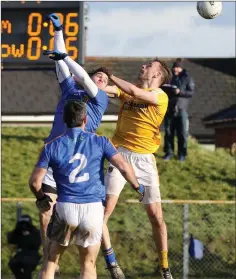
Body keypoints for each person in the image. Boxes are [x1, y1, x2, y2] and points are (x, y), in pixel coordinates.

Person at [29, 100, 145, 279]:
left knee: (51, 261)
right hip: (92, 209)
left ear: (65, 120)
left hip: (66, 207)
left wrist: (40, 198)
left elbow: (35, 182)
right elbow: (123, 166)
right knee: (88, 264)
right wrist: (138, 186)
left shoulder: (51, 146)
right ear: (85, 120)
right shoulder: (100, 141)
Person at [39, 13, 110, 272]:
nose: (101, 79)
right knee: (45, 211)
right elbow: (62, 66)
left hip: (75, 159)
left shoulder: (99, 99)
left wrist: (66, 58)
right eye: (99, 75)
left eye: (104, 79)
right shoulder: (71, 90)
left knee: (80, 242)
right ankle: (51, 262)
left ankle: (54, 261)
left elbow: (80, 73)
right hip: (54, 154)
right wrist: (58, 31)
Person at [103, 59, 173, 279]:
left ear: (158, 74)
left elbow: (132, 89)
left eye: (149, 65)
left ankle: (164, 267)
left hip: (144, 160)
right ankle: (111, 262)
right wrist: (69, 69)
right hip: (120, 155)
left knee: (156, 217)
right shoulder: (127, 93)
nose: (143, 67)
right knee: (103, 213)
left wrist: (111, 75)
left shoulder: (160, 96)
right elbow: (97, 87)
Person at [162, 58, 195, 161]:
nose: (175, 69)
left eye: (177, 67)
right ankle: (169, 153)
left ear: (181, 68)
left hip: (181, 110)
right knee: (168, 133)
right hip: (169, 109)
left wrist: (179, 92)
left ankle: (182, 154)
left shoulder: (187, 78)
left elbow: (191, 93)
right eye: (174, 67)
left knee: (182, 133)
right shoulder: (169, 78)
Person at [7, 215, 41, 279]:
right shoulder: (18, 233)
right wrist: (17, 230)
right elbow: (11, 240)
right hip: (21, 254)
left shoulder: (35, 232)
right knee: (13, 264)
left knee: (27, 266)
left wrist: (29, 234)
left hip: (32, 255)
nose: (24, 226)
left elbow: (37, 243)